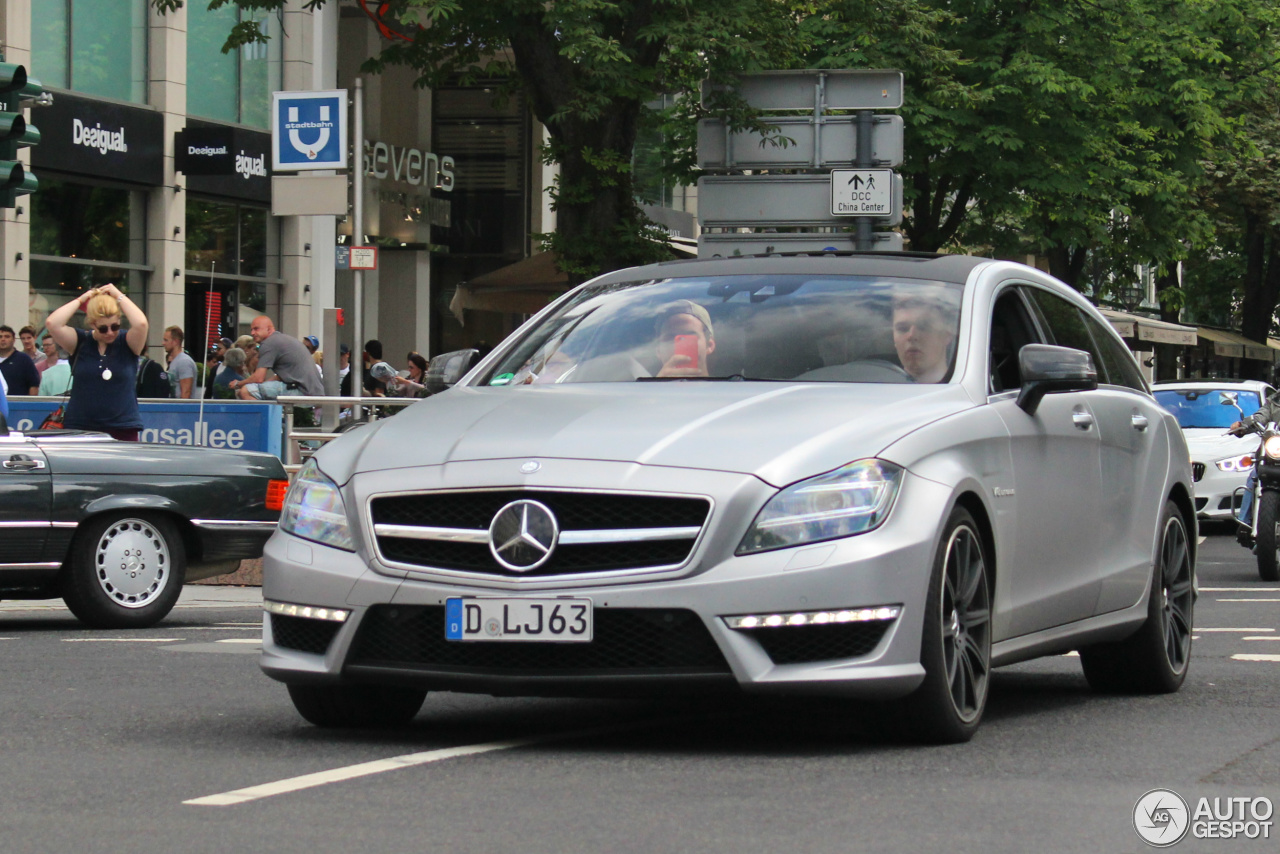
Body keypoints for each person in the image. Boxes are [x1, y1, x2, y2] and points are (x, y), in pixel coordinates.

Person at [45, 284, 149, 441]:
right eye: (103, 328)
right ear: (92, 324)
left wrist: (118, 295)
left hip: (122, 427)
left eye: (115, 326)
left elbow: (141, 323)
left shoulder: (127, 343)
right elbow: (53, 323)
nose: (110, 332)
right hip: (81, 426)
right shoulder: (80, 342)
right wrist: (82, 299)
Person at [230, 315, 324, 400]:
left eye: (256, 329)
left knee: (246, 391)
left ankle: (264, 419)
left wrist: (238, 384)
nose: (252, 333)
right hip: (314, 393)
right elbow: (279, 378)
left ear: (269, 330)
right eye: (251, 330)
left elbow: (258, 378)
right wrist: (264, 386)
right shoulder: (282, 339)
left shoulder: (268, 343)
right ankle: (274, 418)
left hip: (302, 392)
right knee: (263, 390)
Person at [892, 293, 957, 383]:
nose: (912, 335)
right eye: (903, 329)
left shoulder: (965, 391)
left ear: (947, 335)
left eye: (924, 327)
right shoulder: (877, 389)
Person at [654, 300, 716, 378]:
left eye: (689, 337)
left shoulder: (731, 388)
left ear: (709, 345)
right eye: (670, 338)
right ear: (658, 351)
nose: (681, 344)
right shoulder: (641, 389)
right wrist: (659, 387)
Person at [0, 324, 41, 395]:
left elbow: (34, 385)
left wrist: (30, 404)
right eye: (0, 337)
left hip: (17, 404)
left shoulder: (24, 359)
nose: (3, 339)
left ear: (14, 339)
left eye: (7, 337)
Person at [163, 325, 197, 399]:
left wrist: (181, 409)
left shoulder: (184, 362)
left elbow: (186, 392)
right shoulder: (175, 361)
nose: (163, 343)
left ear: (175, 342)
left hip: (180, 408)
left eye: (166, 340)